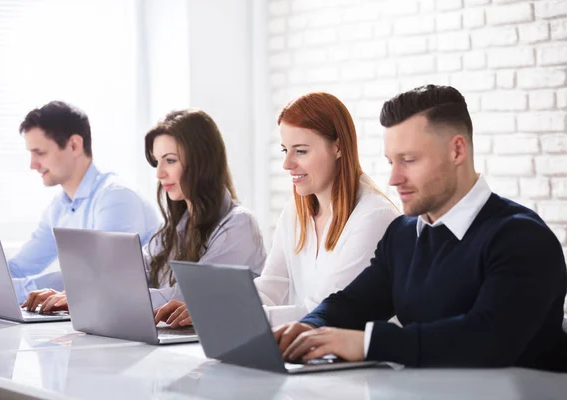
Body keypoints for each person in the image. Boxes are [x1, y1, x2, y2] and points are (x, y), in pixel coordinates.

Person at [274, 85, 567, 371]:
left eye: (409, 160)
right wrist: (307, 328)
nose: (393, 178)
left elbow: (488, 339)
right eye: (391, 161)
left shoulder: (522, 238)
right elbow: (352, 304)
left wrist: (367, 343)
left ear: (457, 151)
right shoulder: (402, 236)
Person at [30, 109, 267, 325]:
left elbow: (185, 296)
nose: (159, 173)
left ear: (202, 162)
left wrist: (95, 300)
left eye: (170, 160)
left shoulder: (238, 225)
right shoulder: (173, 229)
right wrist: (78, 293)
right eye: (157, 161)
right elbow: (131, 272)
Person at [0, 101, 159, 305]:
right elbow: (20, 267)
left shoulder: (116, 198)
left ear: (74, 145)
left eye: (40, 153)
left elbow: (98, 277)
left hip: (131, 316)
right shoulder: (59, 208)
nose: (32, 164)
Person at [254, 92, 399, 326]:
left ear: (338, 148)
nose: (287, 164)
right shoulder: (294, 212)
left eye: (300, 151)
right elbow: (272, 285)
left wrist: (248, 317)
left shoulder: (374, 217)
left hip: (359, 357)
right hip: (305, 349)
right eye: (285, 150)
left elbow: (326, 310)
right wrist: (218, 308)